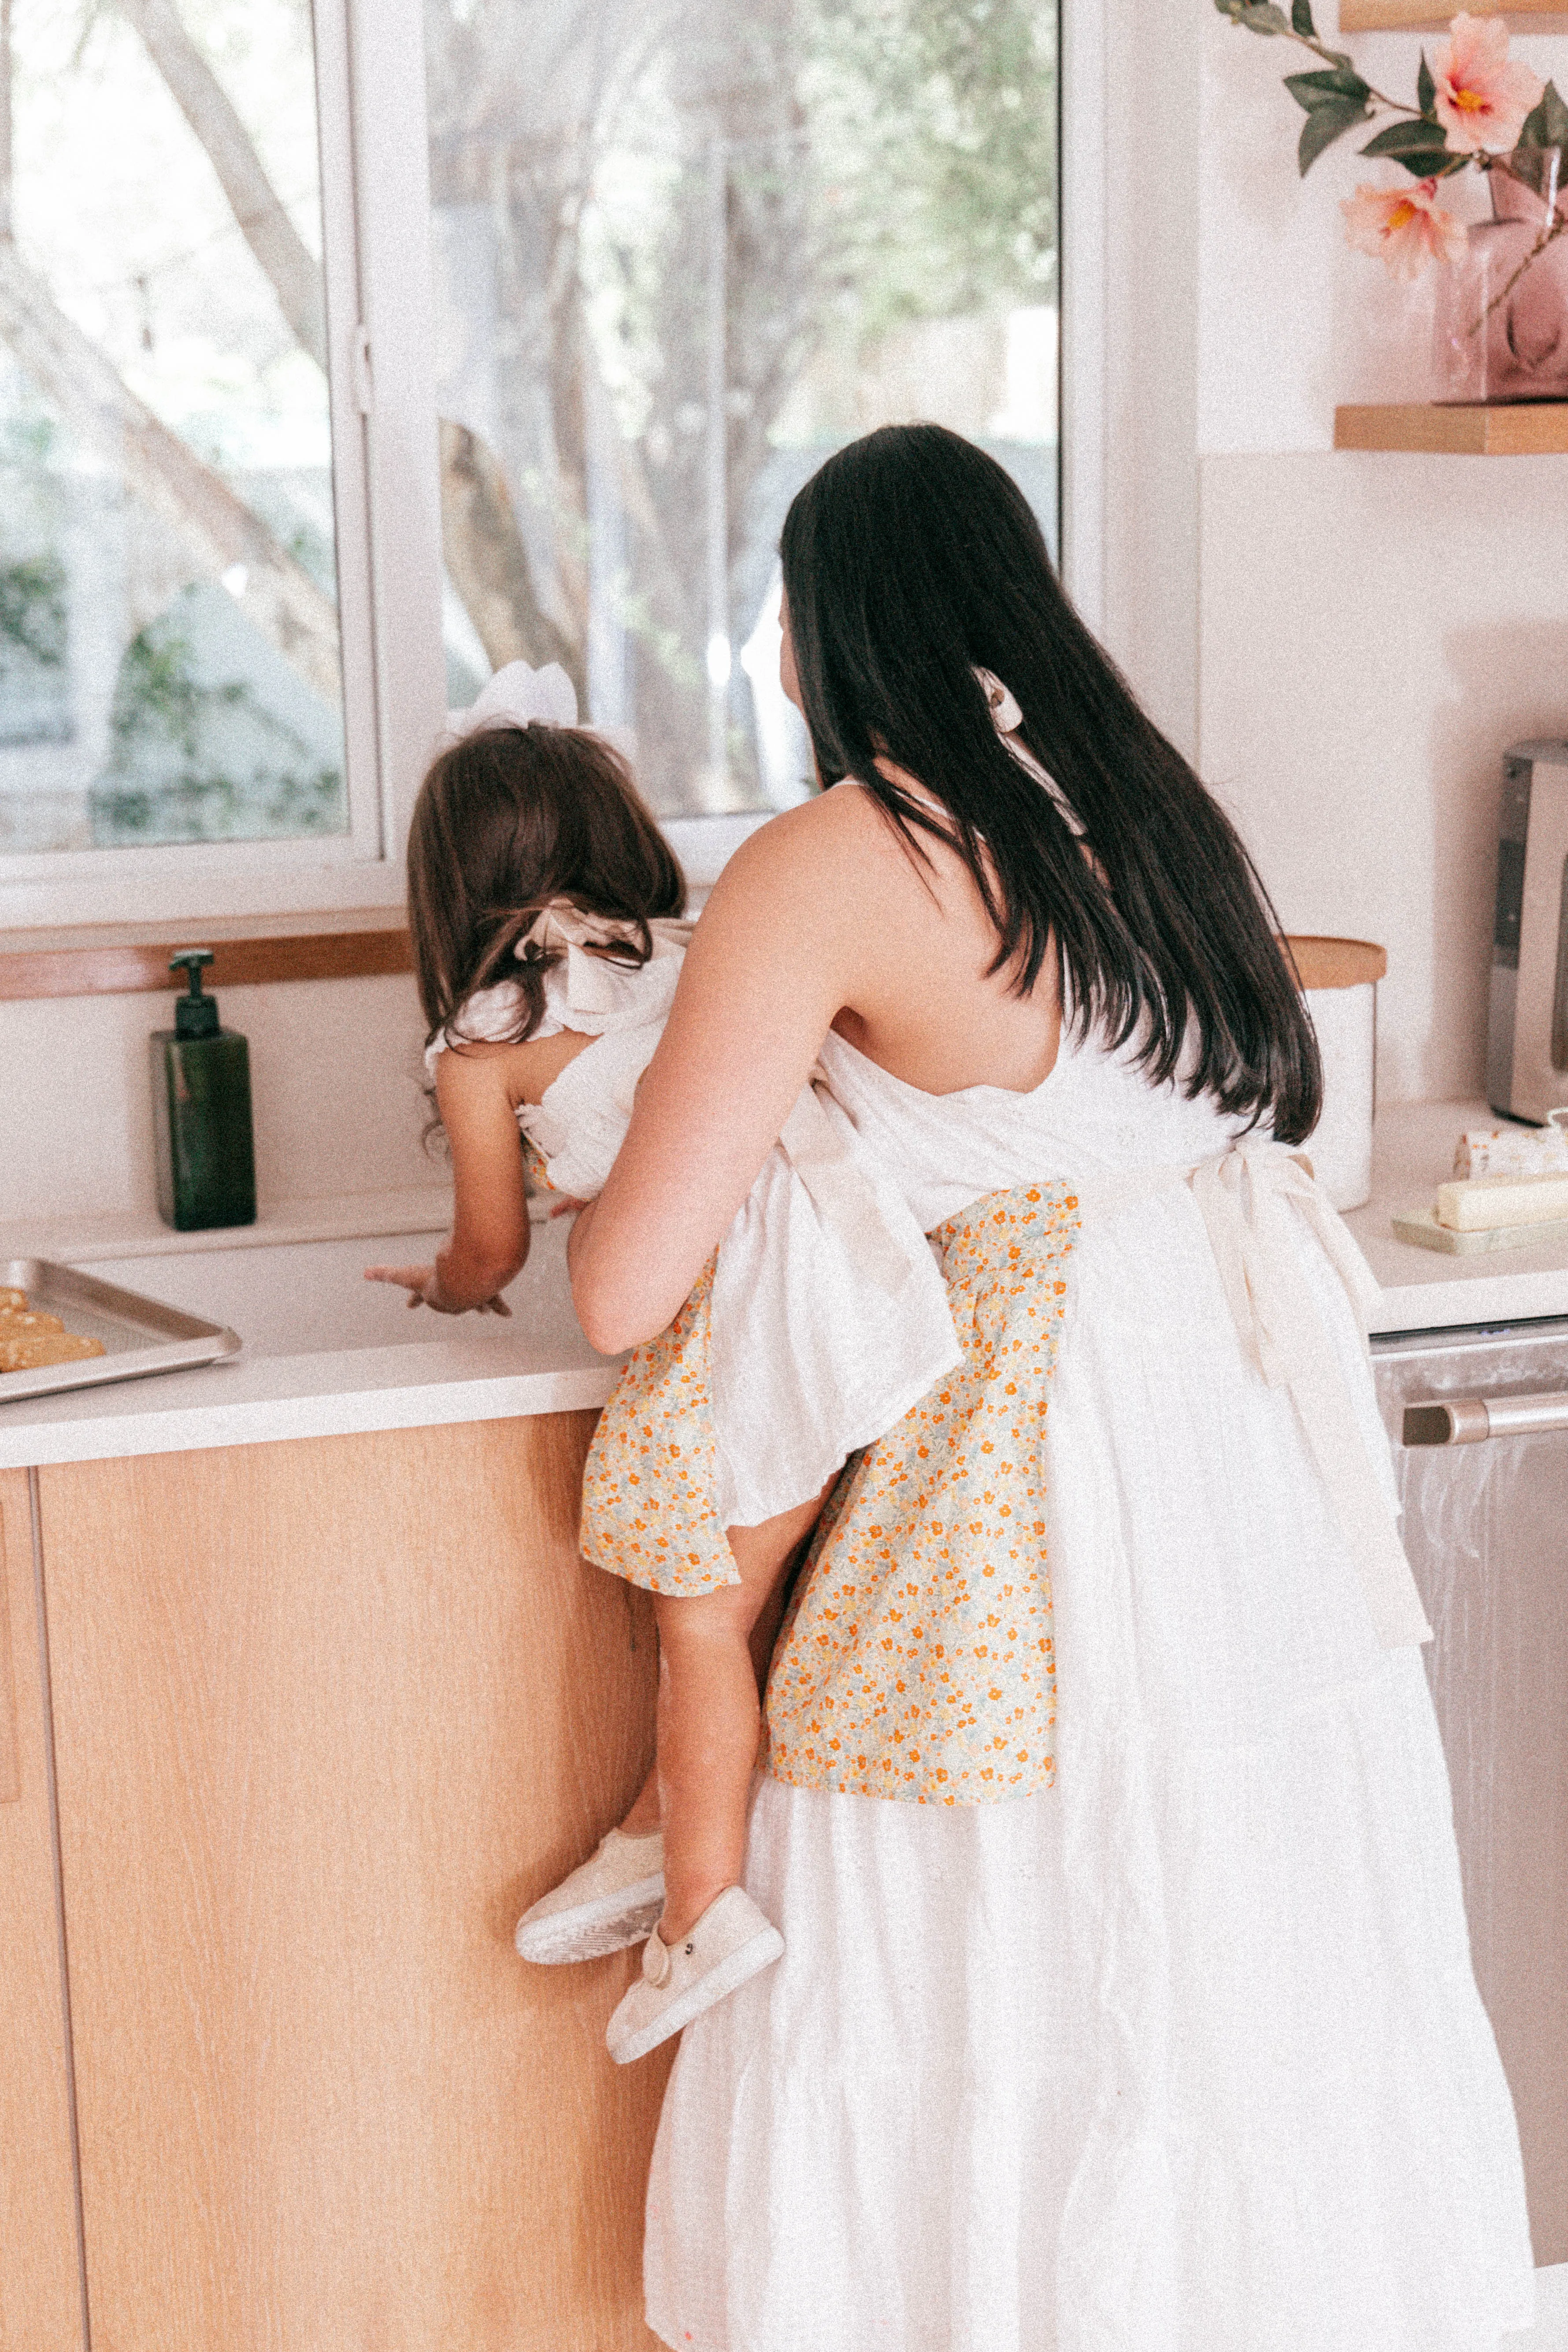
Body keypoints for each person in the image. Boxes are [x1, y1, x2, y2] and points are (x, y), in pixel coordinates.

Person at [566, 425, 1536, 2349]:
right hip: (1236, 1457)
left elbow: (617, 1285)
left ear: (833, 623)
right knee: (1225, 1938)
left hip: (1031, 1448)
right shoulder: (1146, 817)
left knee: (1003, 1926)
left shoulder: (841, 856)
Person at [366, 661, 960, 2063]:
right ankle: (649, 1838)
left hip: (747, 1322)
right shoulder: (696, 956)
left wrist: (446, 1290)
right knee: (730, 1601)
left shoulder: (477, 1049)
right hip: (861, 1283)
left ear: (448, 884)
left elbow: (492, 1251)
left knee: (697, 1622)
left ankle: (701, 1911)